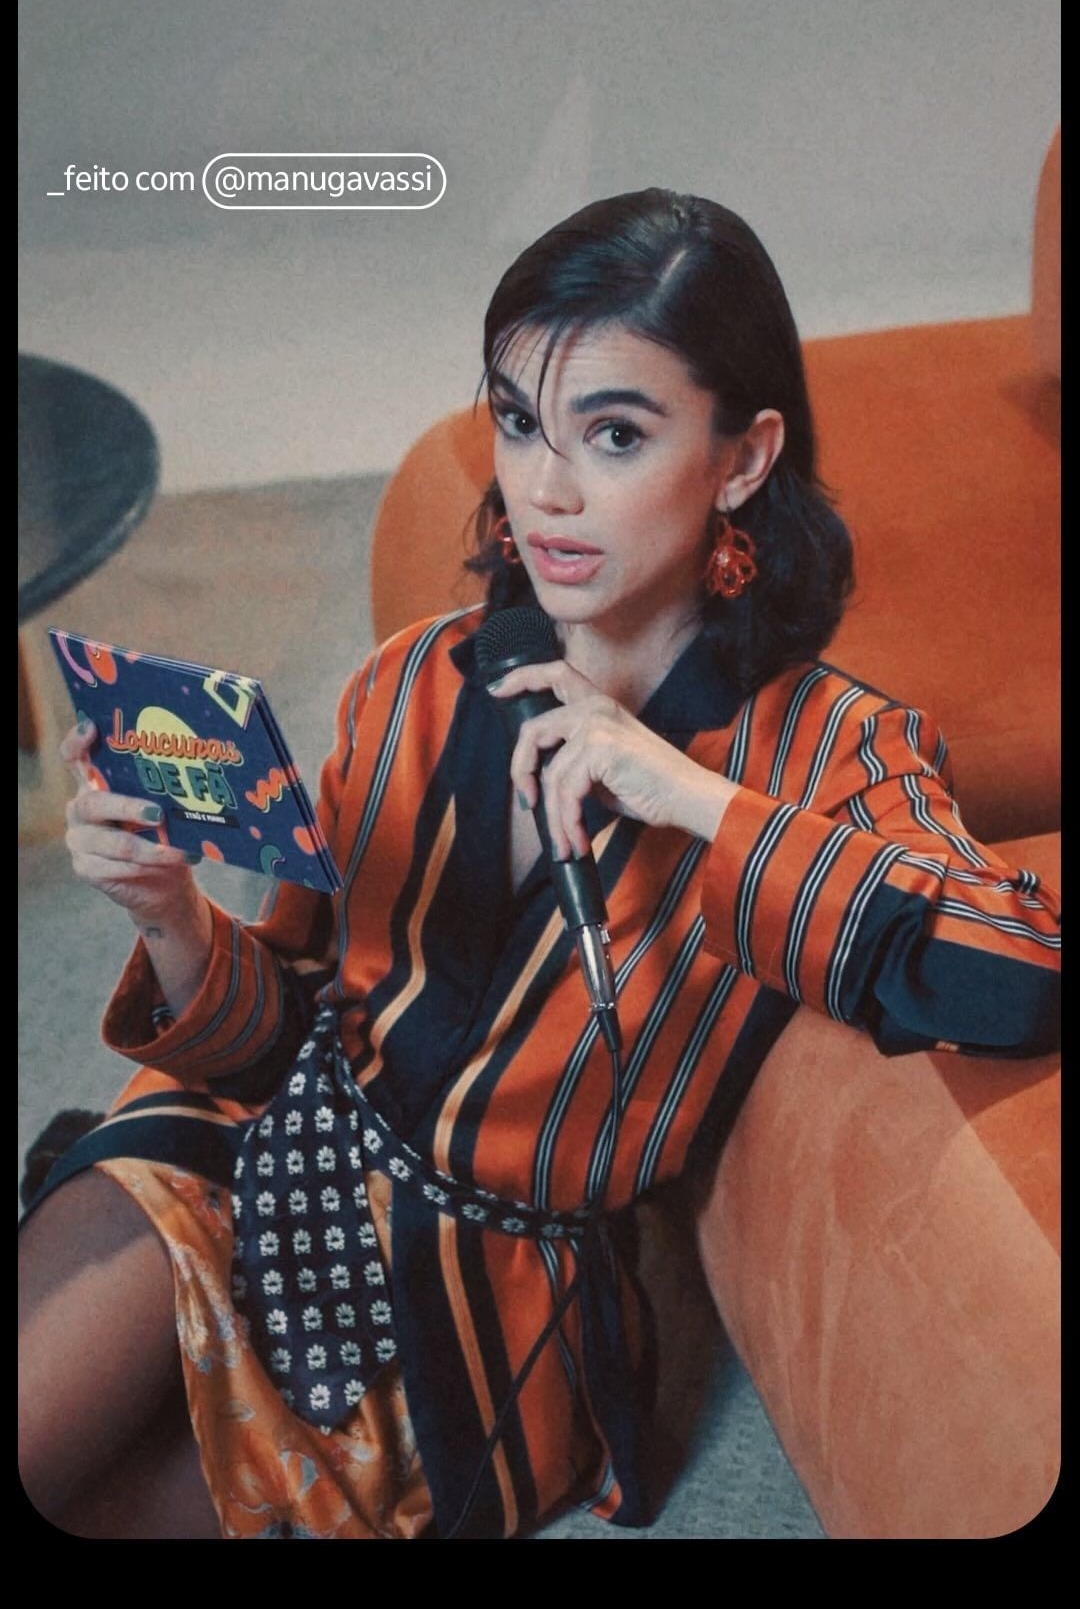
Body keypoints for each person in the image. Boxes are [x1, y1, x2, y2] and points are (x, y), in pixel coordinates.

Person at [18, 190, 1061, 1541]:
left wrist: (686, 797)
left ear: (743, 459)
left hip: (459, 1315)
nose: (547, 489)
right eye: (519, 421)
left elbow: (1019, 973)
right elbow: (276, 1034)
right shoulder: (414, 681)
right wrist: (170, 917)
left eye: (615, 434)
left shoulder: (826, 750)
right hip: (254, 1146)